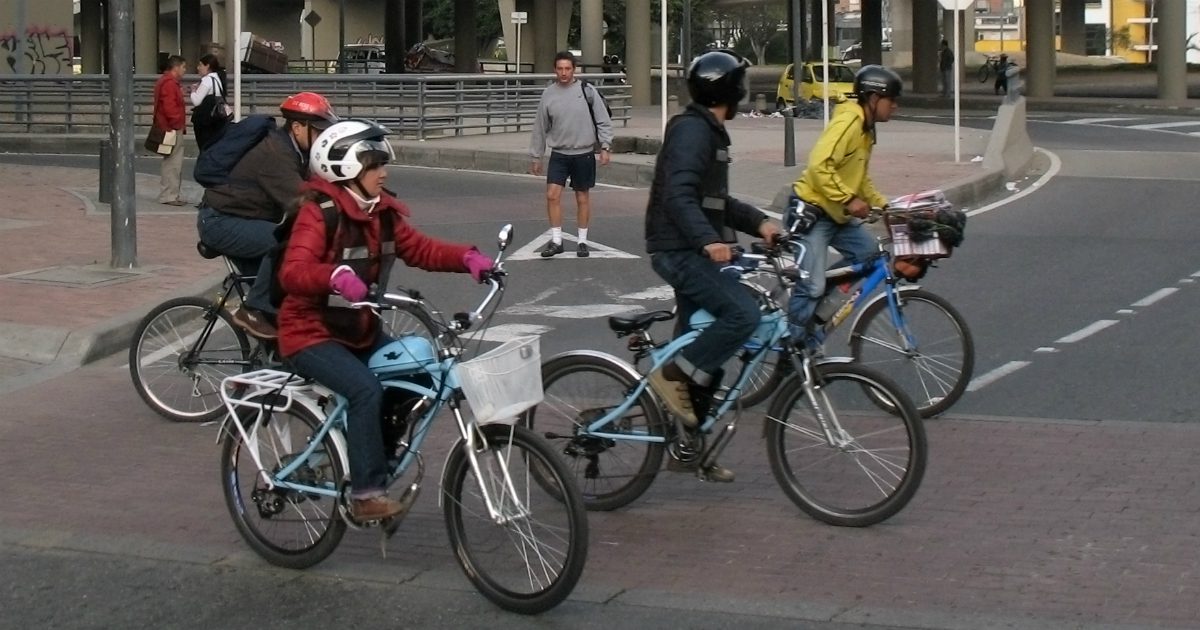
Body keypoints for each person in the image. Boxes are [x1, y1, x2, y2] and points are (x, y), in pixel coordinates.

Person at [277, 119, 494, 521]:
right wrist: (334, 276)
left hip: (359, 331)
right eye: (374, 165)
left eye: (382, 164)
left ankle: (372, 449)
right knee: (365, 390)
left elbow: (422, 249)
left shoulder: (382, 215)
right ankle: (366, 496)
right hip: (310, 333)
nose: (384, 173)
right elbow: (293, 272)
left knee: (419, 375)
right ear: (346, 168)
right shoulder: (319, 214)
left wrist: (467, 258)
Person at [644, 50, 782, 483]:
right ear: (728, 90)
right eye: (740, 84)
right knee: (743, 315)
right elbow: (678, 196)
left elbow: (716, 203)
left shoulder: (707, 130)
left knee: (702, 345)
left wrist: (760, 223)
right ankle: (671, 377)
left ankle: (687, 447)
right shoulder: (693, 132)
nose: (744, 92)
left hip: (688, 248)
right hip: (679, 250)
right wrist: (708, 241)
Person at [197, 92, 338, 339]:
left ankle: (271, 352)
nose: (323, 137)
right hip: (220, 222)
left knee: (283, 296)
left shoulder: (296, 152)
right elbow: (303, 200)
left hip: (244, 220)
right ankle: (252, 310)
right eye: (318, 131)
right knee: (286, 244)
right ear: (297, 127)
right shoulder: (275, 152)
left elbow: (319, 187)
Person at [785, 65, 901, 341]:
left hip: (836, 214)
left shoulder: (866, 129)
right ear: (874, 98)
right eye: (891, 100)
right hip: (812, 212)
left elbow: (859, 177)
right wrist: (848, 199)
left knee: (869, 256)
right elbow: (819, 165)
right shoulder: (849, 122)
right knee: (812, 286)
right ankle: (792, 346)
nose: (895, 106)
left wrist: (885, 207)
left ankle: (814, 306)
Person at [529, 51, 614, 258]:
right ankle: (557, 240)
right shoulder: (548, 94)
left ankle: (582, 241)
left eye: (568, 68)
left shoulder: (587, 90)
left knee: (582, 197)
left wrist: (605, 146)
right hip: (559, 153)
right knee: (552, 195)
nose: (564, 73)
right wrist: (536, 155)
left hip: (583, 153)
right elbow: (540, 127)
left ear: (574, 69)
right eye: (560, 69)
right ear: (554, 70)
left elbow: (603, 120)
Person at [152, 55, 188, 206]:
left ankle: (170, 194)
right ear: (176, 67)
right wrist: (177, 123)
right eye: (183, 67)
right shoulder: (170, 84)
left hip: (167, 126)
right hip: (171, 128)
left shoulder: (165, 82)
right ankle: (169, 195)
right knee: (173, 162)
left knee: (171, 161)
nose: (185, 70)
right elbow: (170, 107)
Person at [189, 53, 229, 150]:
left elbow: (196, 101)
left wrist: (193, 90)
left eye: (200, 65)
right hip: (217, 119)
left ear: (207, 66)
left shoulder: (207, 80)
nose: (198, 68)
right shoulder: (218, 78)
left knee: (204, 147)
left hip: (206, 121)